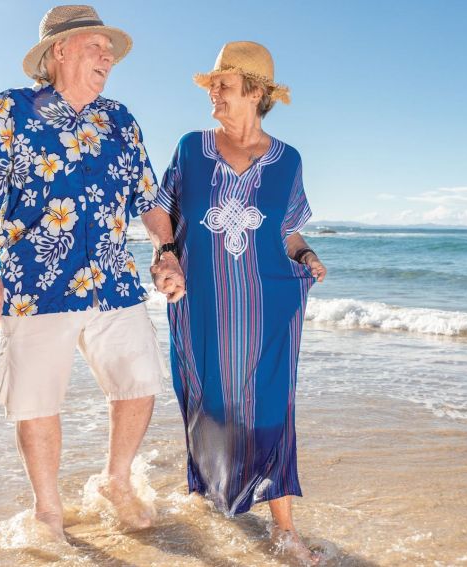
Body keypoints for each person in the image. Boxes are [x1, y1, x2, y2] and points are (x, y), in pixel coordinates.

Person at [0, 5, 184, 541]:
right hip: (34, 283)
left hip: (113, 277)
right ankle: (48, 510)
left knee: (140, 379)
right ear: (59, 51)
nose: (108, 57)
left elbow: (148, 197)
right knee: (35, 398)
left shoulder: (120, 119)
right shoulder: (7, 110)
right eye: (96, 47)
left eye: (110, 51)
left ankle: (115, 480)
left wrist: (165, 249)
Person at [155, 41, 326, 564]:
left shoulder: (287, 160)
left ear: (255, 92)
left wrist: (308, 254)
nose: (214, 95)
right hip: (201, 303)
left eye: (223, 86)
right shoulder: (190, 147)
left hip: (265, 307)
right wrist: (165, 254)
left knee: (272, 407)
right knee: (207, 402)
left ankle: (283, 530)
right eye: (211, 87)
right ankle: (207, 498)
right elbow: (161, 210)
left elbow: (288, 231)